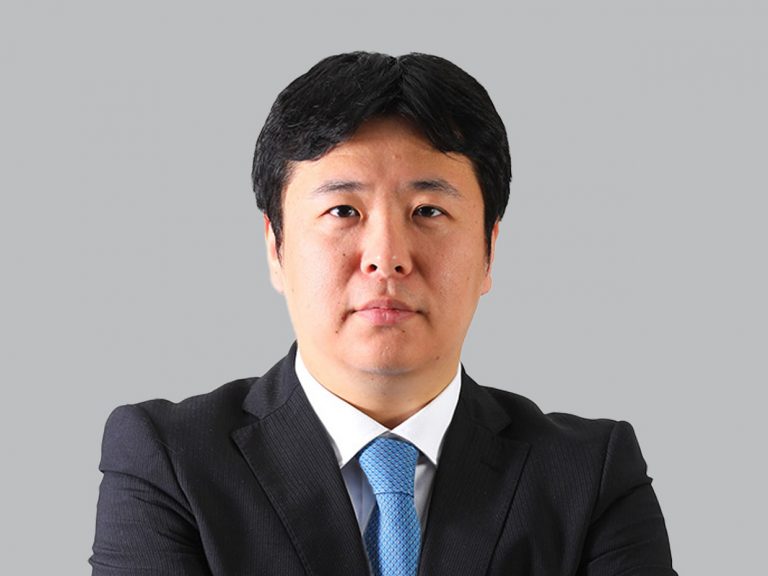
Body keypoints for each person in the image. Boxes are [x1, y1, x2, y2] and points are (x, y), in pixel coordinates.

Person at [90, 52, 676, 575]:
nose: (387, 257)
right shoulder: (171, 462)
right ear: (276, 248)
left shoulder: (589, 476)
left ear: (489, 251)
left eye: (428, 211)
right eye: (344, 211)